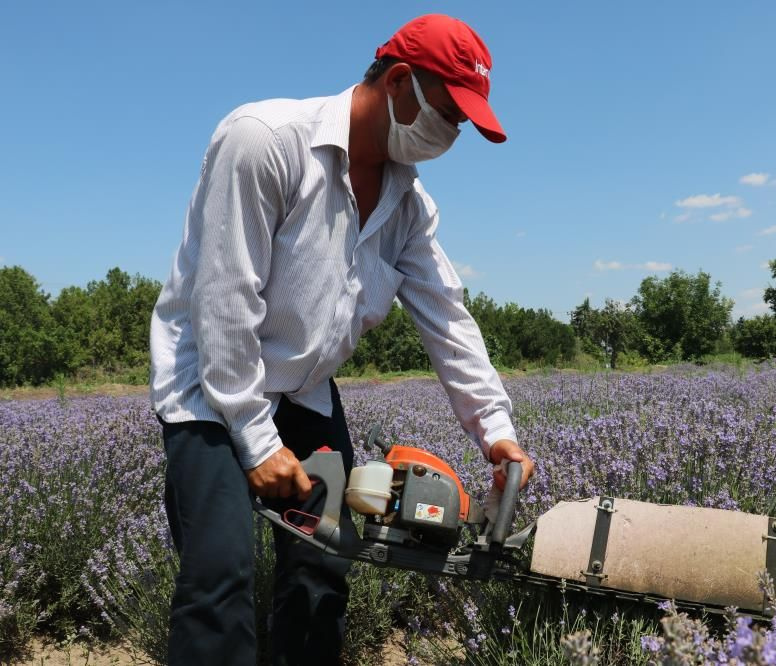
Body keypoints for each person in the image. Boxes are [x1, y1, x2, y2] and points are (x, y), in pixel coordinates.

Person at [148, 13, 535, 665]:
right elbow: (224, 301)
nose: (453, 133)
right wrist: (255, 439)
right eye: (448, 112)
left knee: (321, 571)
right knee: (220, 581)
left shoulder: (408, 205)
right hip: (214, 391)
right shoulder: (263, 140)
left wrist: (495, 430)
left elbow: (447, 318)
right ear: (400, 81)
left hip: (303, 390)